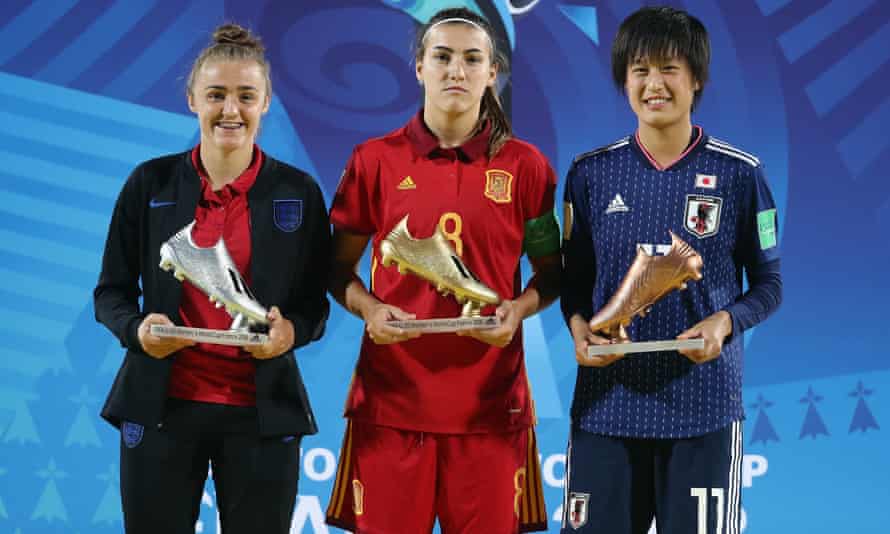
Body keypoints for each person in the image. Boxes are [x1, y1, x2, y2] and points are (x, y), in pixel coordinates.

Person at [323, 7, 560, 534]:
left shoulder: (527, 167)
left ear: (492, 72)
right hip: (391, 406)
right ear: (419, 68)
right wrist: (369, 309)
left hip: (491, 411)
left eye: (472, 59)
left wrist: (518, 310)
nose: (457, 70)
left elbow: (552, 275)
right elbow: (335, 269)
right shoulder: (373, 161)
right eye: (443, 57)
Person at [93, 23, 330, 534]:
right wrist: (136, 330)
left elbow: (314, 307)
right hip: (161, 407)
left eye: (246, 96)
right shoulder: (148, 183)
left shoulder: (299, 192)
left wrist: (289, 333)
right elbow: (110, 292)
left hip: (261, 413)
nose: (230, 110)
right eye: (216, 95)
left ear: (265, 103)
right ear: (191, 99)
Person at [560, 6, 782, 534]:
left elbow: (769, 285)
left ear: (696, 78)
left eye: (668, 69)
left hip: (703, 410)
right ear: (624, 80)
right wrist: (576, 329)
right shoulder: (589, 173)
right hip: (605, 410)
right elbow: (572, 283)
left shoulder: (741, 174)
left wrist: (724, 323)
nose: (653, 84)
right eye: (640, 70)